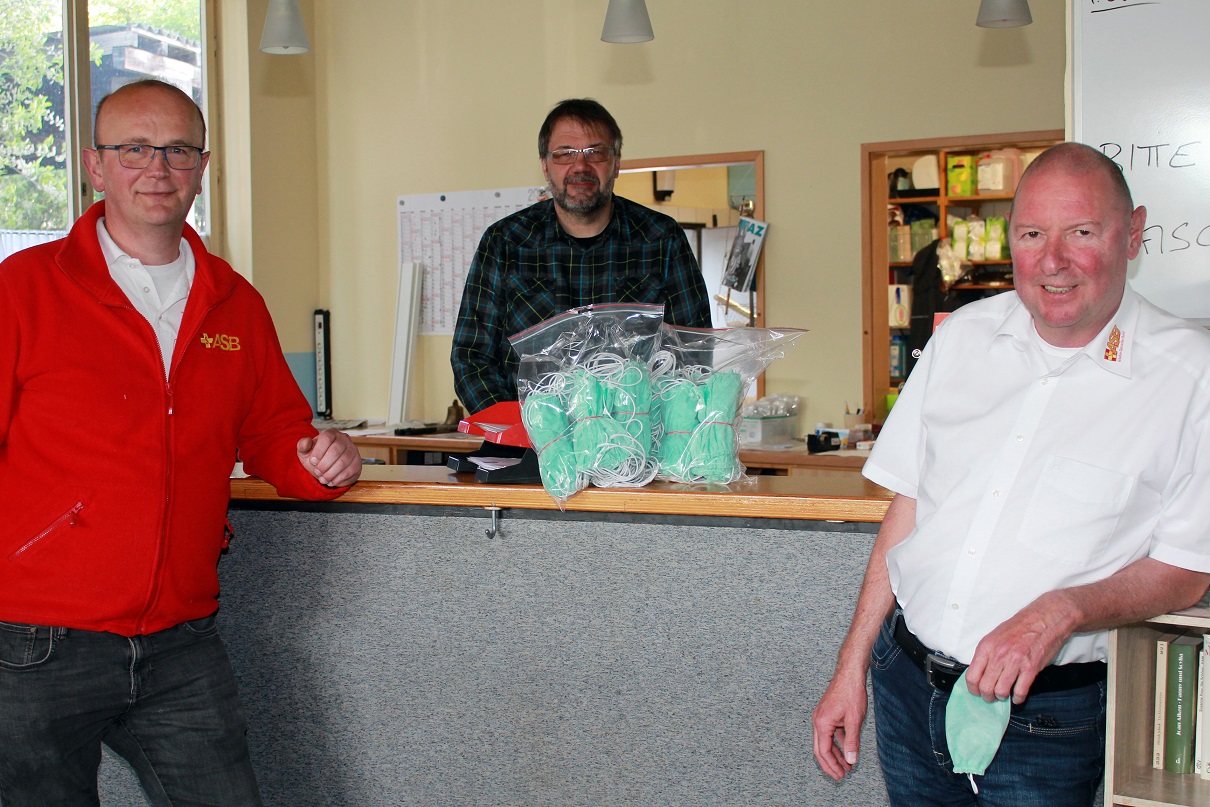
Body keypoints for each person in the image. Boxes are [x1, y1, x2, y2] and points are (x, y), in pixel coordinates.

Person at [811, 142, 1210, 805]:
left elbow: (1190, 565)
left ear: (1133, 232)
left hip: (1046, 723)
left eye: (1081, 232)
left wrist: (1063, 608)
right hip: (907, 688)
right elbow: (908, 511)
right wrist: (850, 665)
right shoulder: (963, 338)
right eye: (1032, 234)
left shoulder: (1192, 376)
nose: (1054, 261)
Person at [0, 79, 362, 806]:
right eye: (133, 148)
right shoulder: (24, 288)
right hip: (35, 641)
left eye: (177, 150)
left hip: (181, 641)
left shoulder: (235, 301)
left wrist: (322, 460)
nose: (156, 168)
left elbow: (272, 432)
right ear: (95, 165)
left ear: (202, 166)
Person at [450, 98, 711, 414]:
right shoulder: (505, 242)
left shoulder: (661, 239)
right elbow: (471, 357)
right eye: (565, 154)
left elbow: (693, 353)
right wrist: (523, 430)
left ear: (616, 163)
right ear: (545, 165)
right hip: (526, 447)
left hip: (638, 442)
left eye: (595, 153)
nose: (580, 166)